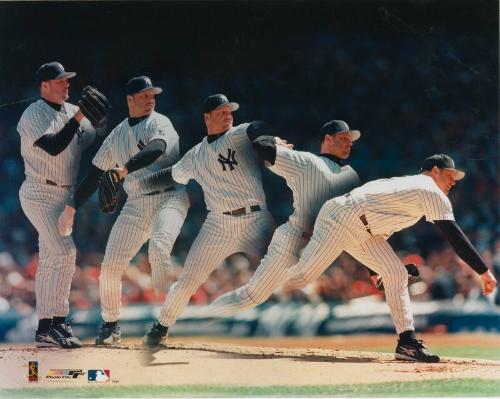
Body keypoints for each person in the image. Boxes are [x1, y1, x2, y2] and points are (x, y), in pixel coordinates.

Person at [284, 154, 497, 362]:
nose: (453, 181)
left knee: (395, 273)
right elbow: (454, 235)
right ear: (435, 171)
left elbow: (371, 233)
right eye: (450, 174)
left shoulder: (404, 191)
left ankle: (407, 343)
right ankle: (271, 278)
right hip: (342, 218)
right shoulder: (430, 189)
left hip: (351, 220)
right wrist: (483, 271)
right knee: (302, 276)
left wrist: (375, 272)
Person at [58, 76, 190, 345]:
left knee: (159, 250)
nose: (150, 98)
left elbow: (157, 148)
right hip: (137, 203)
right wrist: (71, 207)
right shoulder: (117, 135)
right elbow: (94, 175)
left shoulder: (159, 122)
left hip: (171, 198)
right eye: (143, 95)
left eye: (152, 93)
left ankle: (163, 325)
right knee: (109, 269)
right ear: (129, 99)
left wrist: (125, 169)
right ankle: (110, 325)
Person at [136, 93, 276, 346]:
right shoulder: (195, 155)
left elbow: (256, 128)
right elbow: (173, 175)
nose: (227, 114)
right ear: (207, 117)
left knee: (288, 260)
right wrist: (139, 184)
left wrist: (267, 141)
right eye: (221, 111)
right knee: (189, 278)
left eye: (229, 111)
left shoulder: (238, 134)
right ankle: (162, 326)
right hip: (218, 224)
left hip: (256, 219)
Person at [204, 120, 362, 317]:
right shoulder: (306, 162)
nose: (350, 143)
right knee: (252, 295)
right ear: (328, 139)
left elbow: (360, 221)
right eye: (344, 138)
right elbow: (261, 144)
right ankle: (200, 317)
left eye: (351, 139)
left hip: (324, 246)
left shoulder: (351, 176)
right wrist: (274, 140)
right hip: (293, 243)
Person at [18, 61, 99, 348]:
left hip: (65, 197)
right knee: (65, 253)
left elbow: (93, 138)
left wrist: (101, 120)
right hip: (39, 192)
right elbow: (53, 145)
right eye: (61, 80)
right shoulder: (33, 114)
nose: (67, 84)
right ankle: (59, 322)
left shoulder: (70, 111)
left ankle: (45, 327)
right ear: (44, 85)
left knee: (52, 259)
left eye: (68, 80)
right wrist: (79, 116)